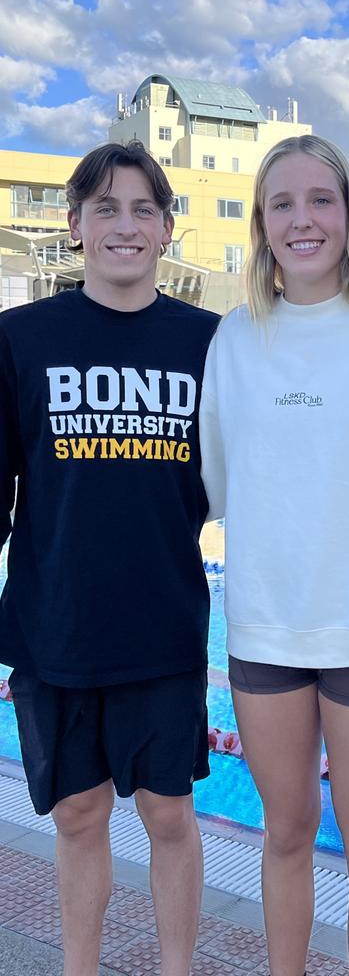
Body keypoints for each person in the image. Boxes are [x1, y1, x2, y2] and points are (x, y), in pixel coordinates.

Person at [199, 134, 349, 976]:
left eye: (321, 200)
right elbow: (218, 483)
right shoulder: (234, 339)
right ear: (262, 225)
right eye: (282, 204)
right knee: (287, 831)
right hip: (265, 627)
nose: (303, 220)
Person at [0, 140, 219, 976]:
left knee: (169, 813)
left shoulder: (210, 343)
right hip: (54, 625)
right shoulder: (20, 339)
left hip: (163, 624)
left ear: (166, 229)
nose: (123, 225)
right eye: (105, 208)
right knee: (79, 815)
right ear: (75, 224)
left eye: (141, 210)